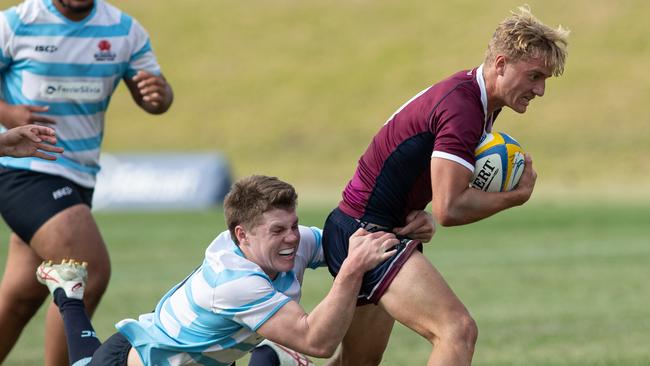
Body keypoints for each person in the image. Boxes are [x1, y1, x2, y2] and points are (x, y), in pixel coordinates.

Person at [321, 6, 569, 366]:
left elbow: (419, 178)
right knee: (457, 330)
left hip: (370, 228)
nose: (541, 90)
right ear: (501, 64)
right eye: (534, 76)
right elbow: (449, 208)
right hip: (366, 234)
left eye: (545, 79)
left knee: (358, 363)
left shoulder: (474, 98)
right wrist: (514, 197)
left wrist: (416, 210)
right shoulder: (463, 107)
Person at [34, 175, 434, 366]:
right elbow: (318, 342)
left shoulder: (286, 243)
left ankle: (274, 352)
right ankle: (69, 294)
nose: (293, 239)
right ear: (242, 235)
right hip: (134, 360)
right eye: (278, 231)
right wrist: (350, 271)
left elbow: (347, 239)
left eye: (293, 225)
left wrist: (402, 227)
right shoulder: (234, 282)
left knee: (273, 357)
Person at [0, 0, 173, 364]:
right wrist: (8, 113)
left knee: (19, 301)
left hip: (80, 176)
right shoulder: (16, 23)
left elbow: (156, 95)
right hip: (22, 169)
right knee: (86, 270)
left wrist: (159, 96)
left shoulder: (125, 31)